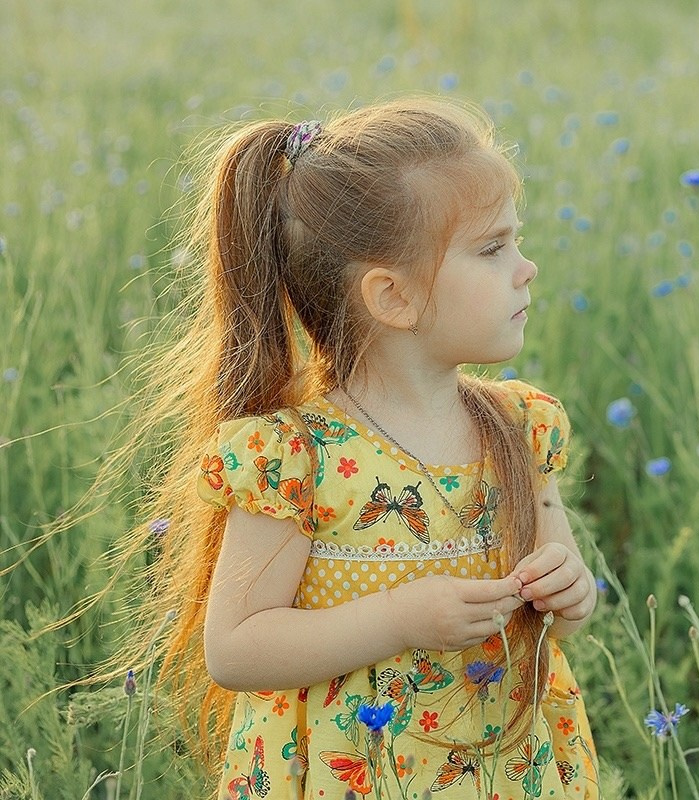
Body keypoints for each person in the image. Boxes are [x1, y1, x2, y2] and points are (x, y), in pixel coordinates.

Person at [130, 97, 599, 799]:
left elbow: (563, 609)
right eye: (492, 248)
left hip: (504, 766)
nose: (526, 268)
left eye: (516, 243)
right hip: (351, 772)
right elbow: (237, 649)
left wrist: (570, 589)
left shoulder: (520, 427)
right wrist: (399, 620)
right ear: (394, 297)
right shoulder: (297, 461)